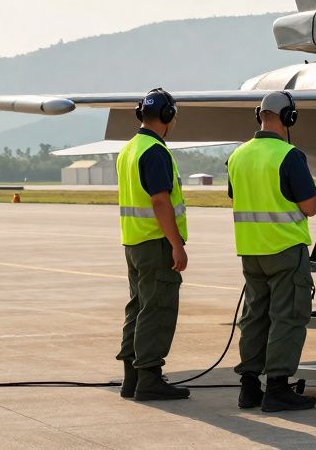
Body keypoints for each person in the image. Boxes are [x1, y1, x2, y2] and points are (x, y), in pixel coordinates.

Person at [226, 91, 316, 412]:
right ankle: (278, 387)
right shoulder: (289, 155)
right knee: (288, 317)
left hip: (251, 251)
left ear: (259, 115)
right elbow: (310, 207)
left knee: (254, 317)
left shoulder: (238, 155)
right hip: (284, 248)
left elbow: (235, 195)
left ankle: (249, 387)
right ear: (289, 118)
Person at [115, 88, 191, 401]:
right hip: (155, 242)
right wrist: (177, 244)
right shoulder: (155, 151)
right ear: (167, 116)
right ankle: (149, 377)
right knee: (157, 309)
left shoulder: (129, 148)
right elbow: (160, 201)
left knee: (138, 307)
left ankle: (131, 378)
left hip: (133, 241)